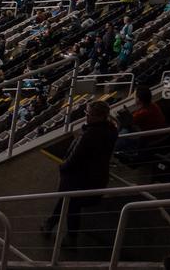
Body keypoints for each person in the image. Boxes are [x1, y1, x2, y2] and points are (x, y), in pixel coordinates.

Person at [43, 101, 117, 240]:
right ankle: (51, 224)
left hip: (82, 179)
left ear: (100, 117)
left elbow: (74, 158)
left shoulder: (89, 135)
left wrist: (62, 167)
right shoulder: (111, 130)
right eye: (86, 113)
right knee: (67, 201)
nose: (86, 116)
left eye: (89, 114)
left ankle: (70, 238)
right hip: (96, 176)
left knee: (71, 205)